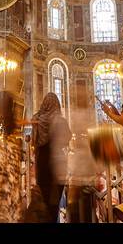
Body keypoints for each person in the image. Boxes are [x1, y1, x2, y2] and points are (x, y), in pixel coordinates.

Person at [31, 92, 71, 222]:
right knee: (54, 203)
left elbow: (33, 141)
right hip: (58, 164)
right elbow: (67, 138)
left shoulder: (36, 119)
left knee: (43, 199)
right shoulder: (60, 120)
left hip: (41, 163)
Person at [0, 91, 23, 224]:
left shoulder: (3, 141)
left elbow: (3, 172)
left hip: (1, 197)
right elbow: (13, 176)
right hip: (8, 196)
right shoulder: (12, 142)